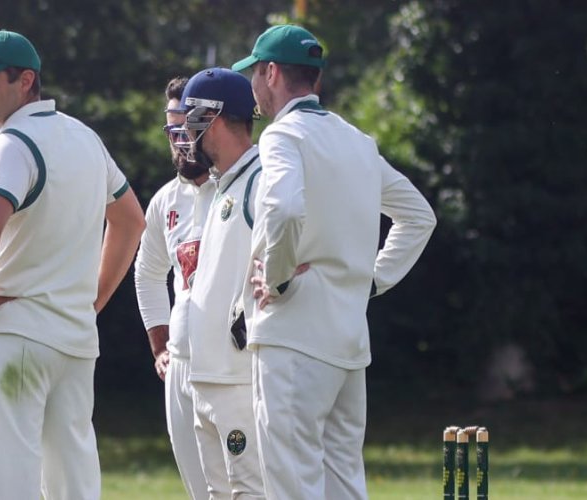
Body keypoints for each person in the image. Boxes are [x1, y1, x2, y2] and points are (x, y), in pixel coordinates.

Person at [234, 25, 437, 499]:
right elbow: (419, 216)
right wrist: (371, 280)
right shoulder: (358, 142)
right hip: (348, 340)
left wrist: (279, 282)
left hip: (295, 335)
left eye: (254, 76)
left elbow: (283, 209)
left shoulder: (282, 134)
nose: (253, 90)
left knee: (292, 483)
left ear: (271, 72)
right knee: (344, 482)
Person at [0, 30, 145, 499]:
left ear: (25, 81)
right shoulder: (84, 136)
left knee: (8, 480)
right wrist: (92, 299)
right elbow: (131, 222)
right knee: (72, 483)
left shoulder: (14, 140)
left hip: (13, 335)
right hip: (75, 339)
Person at [171, 67, 265, 499]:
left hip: (238, 379)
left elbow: (299, 242)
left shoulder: (260, 179)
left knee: (250, 491)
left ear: (215, 118)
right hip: (204, 377)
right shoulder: (224, 184)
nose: (185, 133)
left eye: (192, 120)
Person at [132, 75, 212, 500]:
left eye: (187, 127)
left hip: (235, 365)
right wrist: (160, 346)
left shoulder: (240, 185)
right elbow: (147, 273)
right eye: (171, 129)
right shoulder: (165, 200)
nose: (179, 140)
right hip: (180, 365)